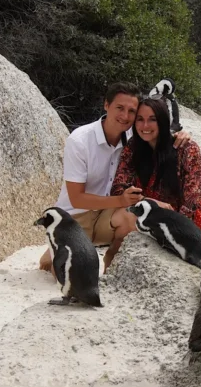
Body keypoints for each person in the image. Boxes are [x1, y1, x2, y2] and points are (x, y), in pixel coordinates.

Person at [39, 83, 191, 273]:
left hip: (107, 215)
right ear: (106, 105)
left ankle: (112, 264)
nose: (125, 116)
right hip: (74, 217)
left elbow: (155, 133)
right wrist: (121, 200)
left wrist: (179, 135)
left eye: (131, 111)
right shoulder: (80, 141)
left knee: (135, 218)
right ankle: (56, 251)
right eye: (119, 108)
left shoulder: (132, 136)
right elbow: (76, 198)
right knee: (70, 271)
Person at [111, 95, 201, 257]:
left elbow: (192, 199)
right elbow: (119, 188)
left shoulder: (186, 149)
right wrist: (149, 203)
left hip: (188, 220)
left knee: (195, 255)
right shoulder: (133, 148)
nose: (145, 125)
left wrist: (174, 229)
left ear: (162, 121)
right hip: (151, 215)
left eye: (152, 119)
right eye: (140, 119)